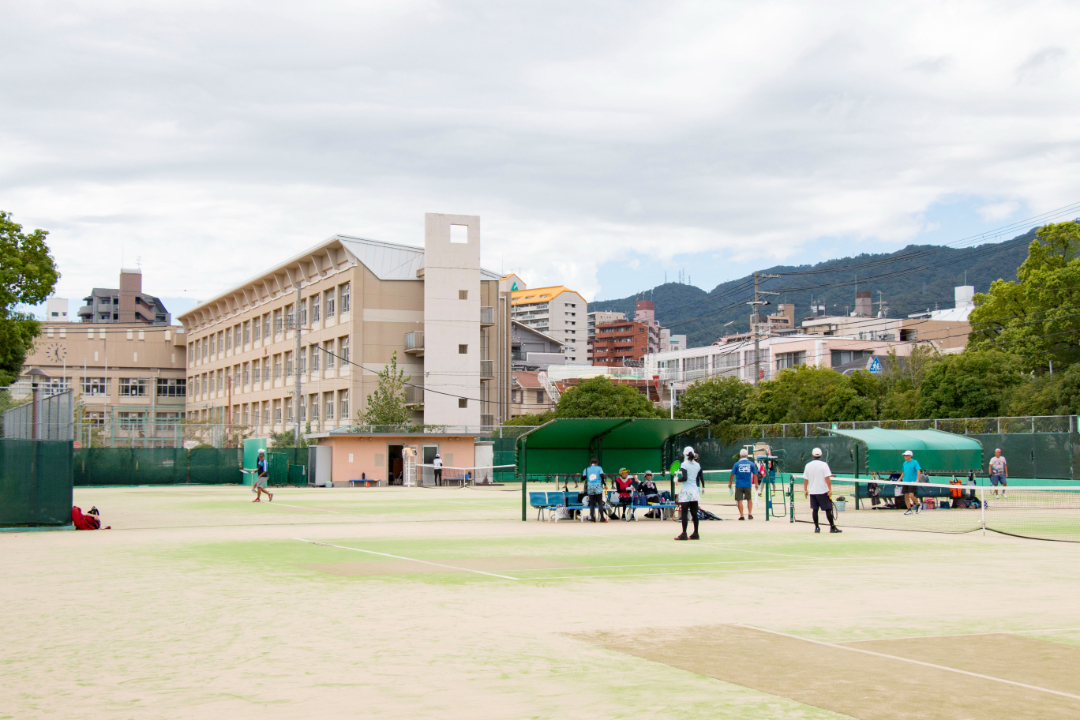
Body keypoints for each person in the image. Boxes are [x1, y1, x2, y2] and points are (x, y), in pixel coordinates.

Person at [802, 448, 841, 533]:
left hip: (813, 492)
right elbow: (827, 478)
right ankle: (832, 527)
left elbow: (805, 480)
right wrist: (830, 490)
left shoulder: (808, 465)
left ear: (812, 455)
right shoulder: (824, 465)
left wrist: (805, 490)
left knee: (815, 510)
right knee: (828, 510)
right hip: (823, 492)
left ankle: (817, 528)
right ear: (821, 455)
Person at [675, 446, 704, 540]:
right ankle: (696, 533)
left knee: (684, 513)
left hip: (686, 491)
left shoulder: (684, 464)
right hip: (694, 491)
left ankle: (684, 533)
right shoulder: (697, 465)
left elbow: (684, 478)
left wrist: (677, 479)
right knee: (694, 513)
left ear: (685, 454)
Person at [728, 449, 759, 520]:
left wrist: (730, 482)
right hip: (748, 484)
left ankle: (742, 516)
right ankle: (750, 514)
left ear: (740, 455)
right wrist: (756, 484)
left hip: (739, 484)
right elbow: (755, 474)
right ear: (747, 456)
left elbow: (732, 474)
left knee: (739, 500)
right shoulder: (751, 464)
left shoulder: (737, 464)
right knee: (749, 499)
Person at [580, 458, 608, 523]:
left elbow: (582, 478)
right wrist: (604, 484)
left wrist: (584, 473)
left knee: (592, 503)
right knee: (600, 502)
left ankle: (592, 518)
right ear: (597, 462)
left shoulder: (586, 469)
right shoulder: (599, 468)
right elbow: (602, 476)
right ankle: (602, 518)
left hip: (590, 486)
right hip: (598, 485)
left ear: (590, 462)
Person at [901, 450, 921, 515]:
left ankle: (918, 504)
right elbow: (903, 473)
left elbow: (918, 471)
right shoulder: (904, 463)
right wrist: (899, 480)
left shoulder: (915, 462)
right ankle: (909, 510)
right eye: (904, 455)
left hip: (912, 482)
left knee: (911, 495)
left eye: (906, 455)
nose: (905, 456)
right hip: (905, 482)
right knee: (906, 496)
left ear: (910, 456)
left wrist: (917, 480)